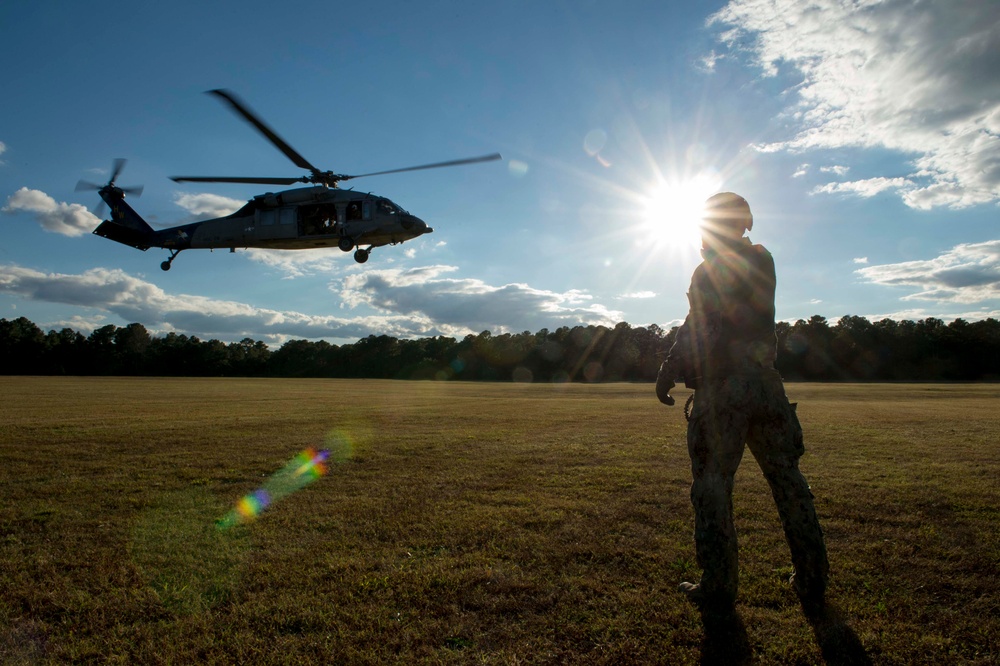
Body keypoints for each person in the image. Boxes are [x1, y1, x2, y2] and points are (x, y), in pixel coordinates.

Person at [656, 192, 829, 620]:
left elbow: (701, 324)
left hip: (724, 392)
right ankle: (812, 578)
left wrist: (670, 365)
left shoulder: (708, 270)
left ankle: (717, 586)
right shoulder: (764, 259)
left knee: (713, 487)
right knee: (788, 482)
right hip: (767, 387)